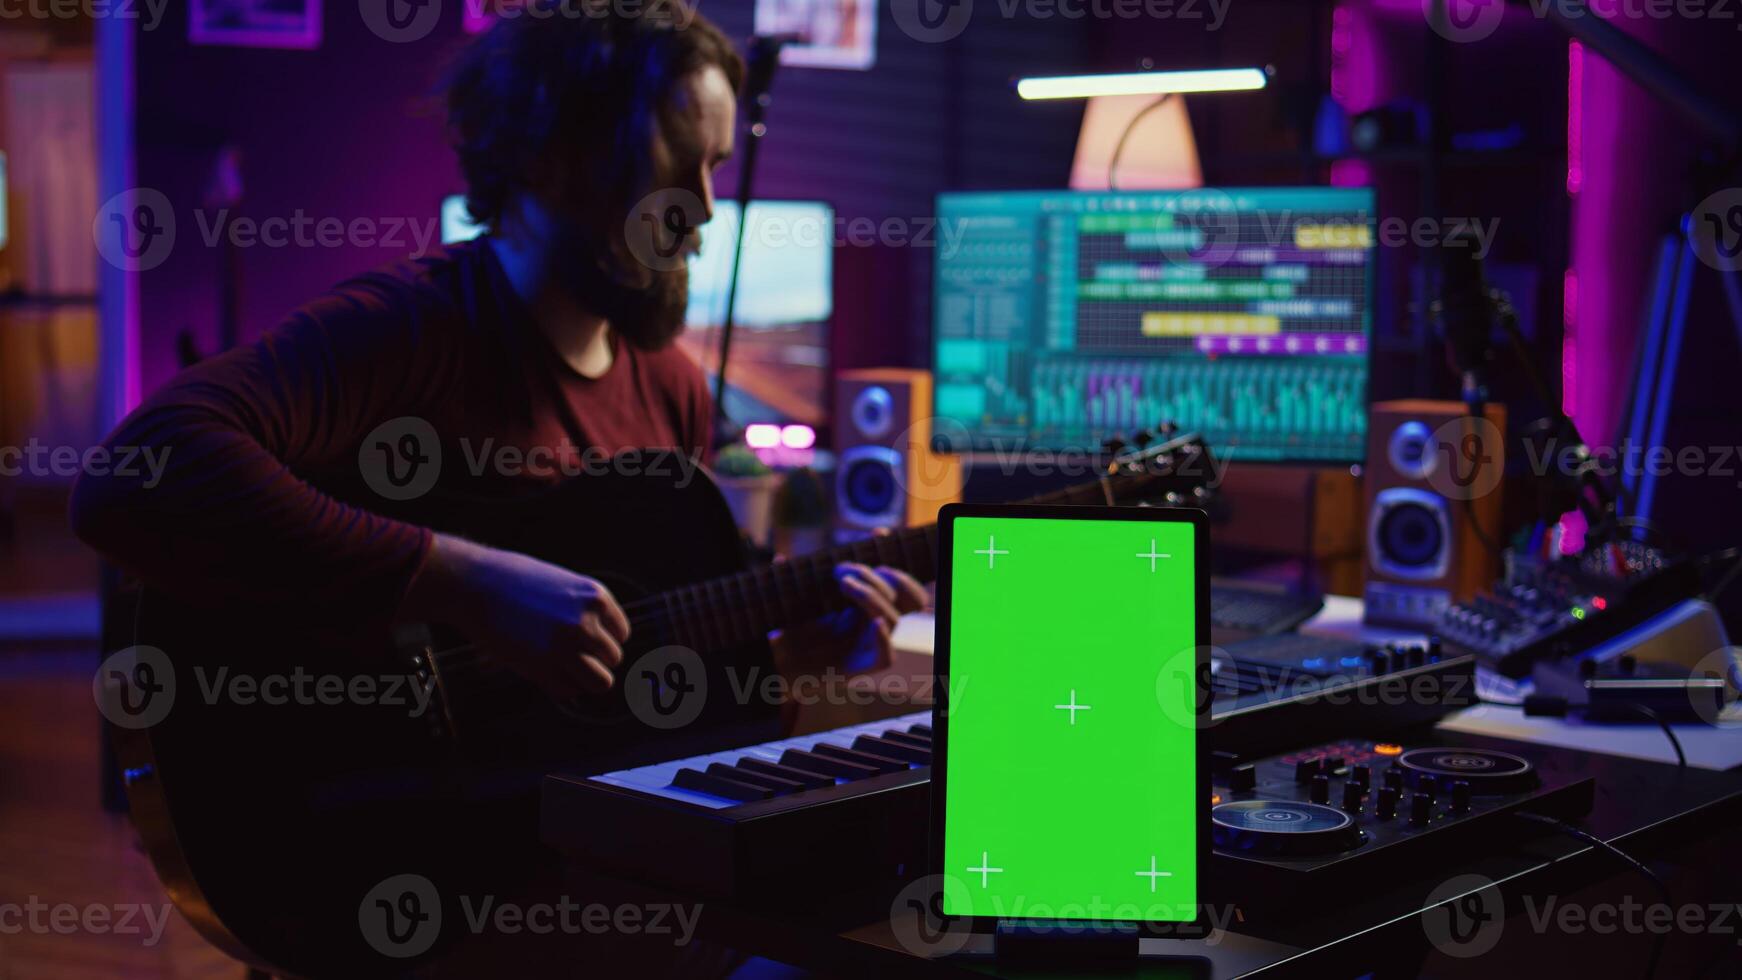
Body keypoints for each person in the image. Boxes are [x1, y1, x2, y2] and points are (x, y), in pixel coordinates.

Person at [70, 4, 924, 718]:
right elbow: (137, 475)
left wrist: (781, 663)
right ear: (550, 157)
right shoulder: (413, 329)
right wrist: (462, 584)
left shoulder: (672, 392)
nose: (702, 206)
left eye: (716, 167)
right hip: (363, 826)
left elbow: (638, 703)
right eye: (674, 157)